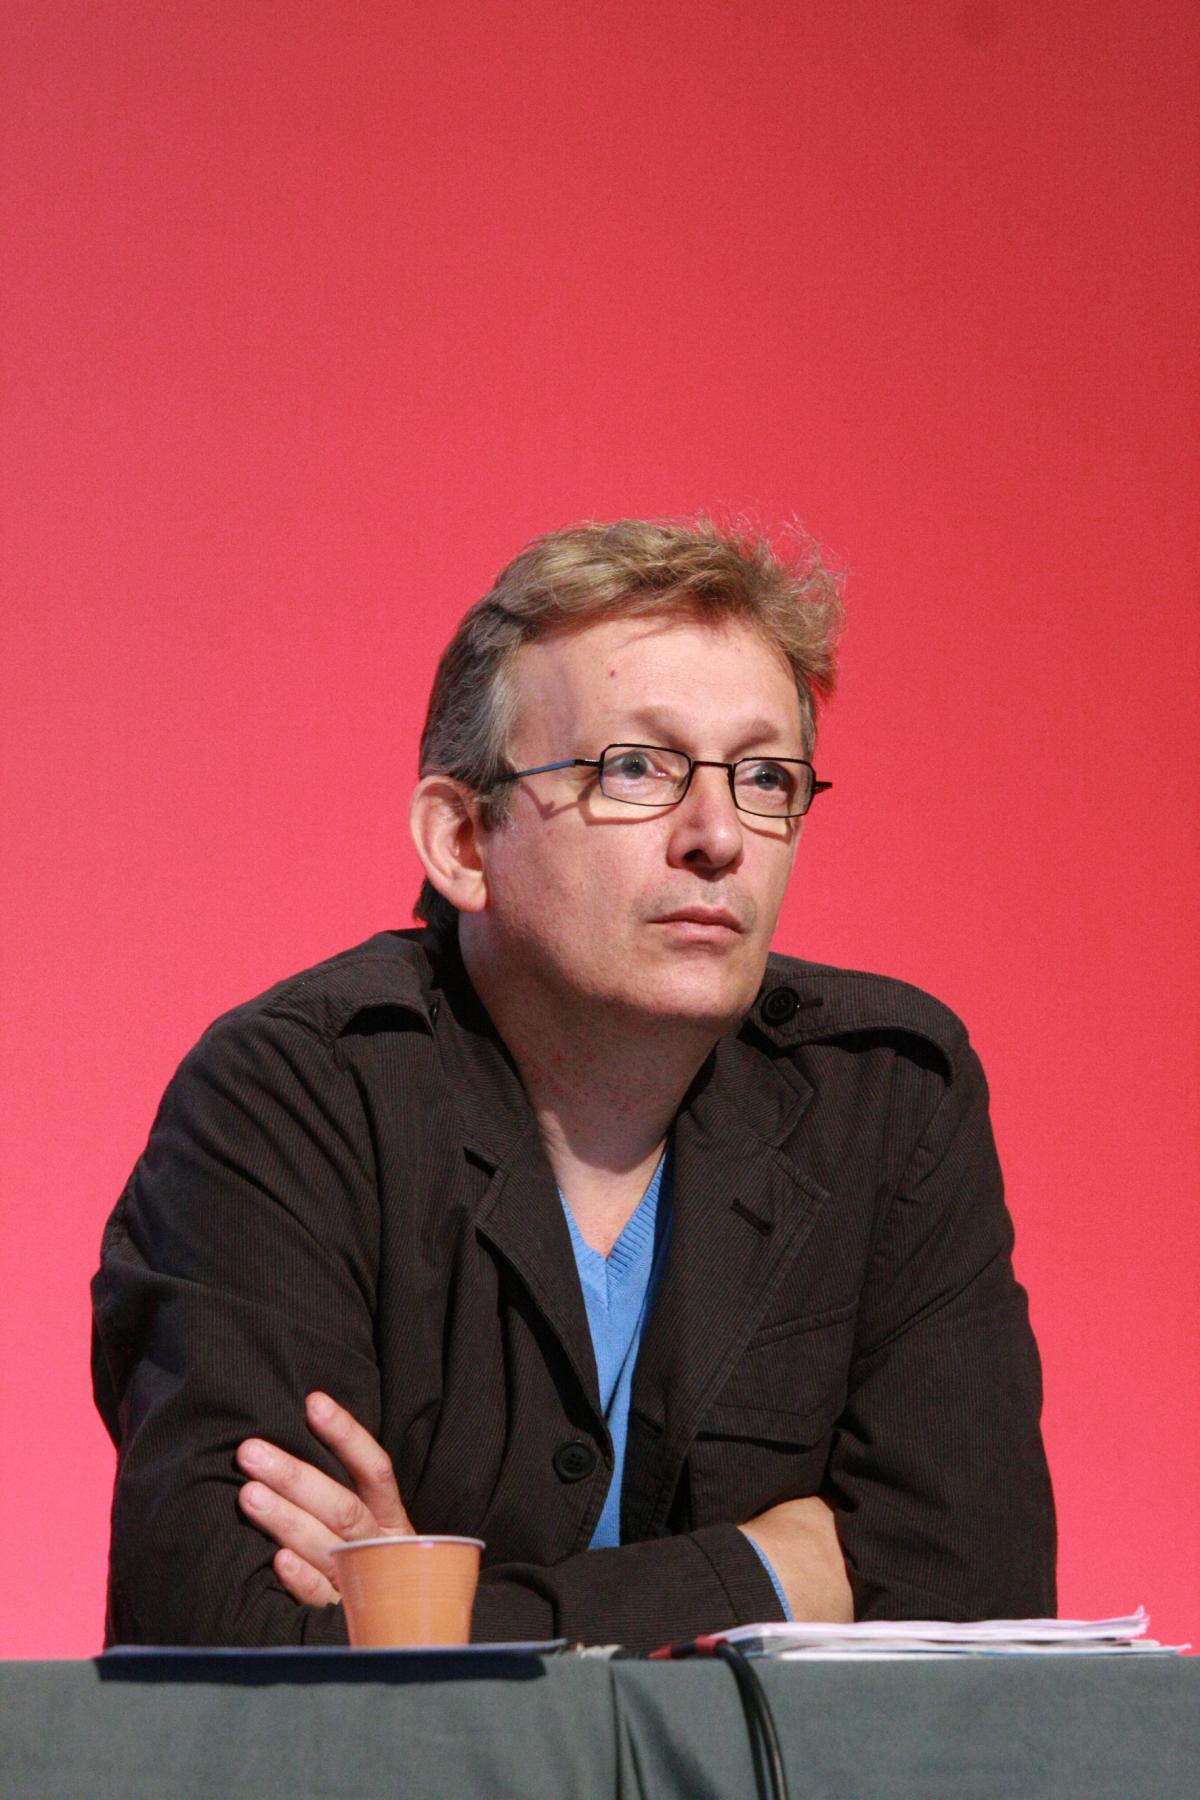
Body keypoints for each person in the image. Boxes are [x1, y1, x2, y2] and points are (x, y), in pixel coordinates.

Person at [92, 517, 1056, 1650]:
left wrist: (425, 1623)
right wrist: (767, 1573)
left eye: (763, 777)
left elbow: (976, 1640)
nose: (718, 837)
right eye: (636, 768)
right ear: (463, 841)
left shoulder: (891, 1101)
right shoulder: (286, 1102)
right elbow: (227, 1642)